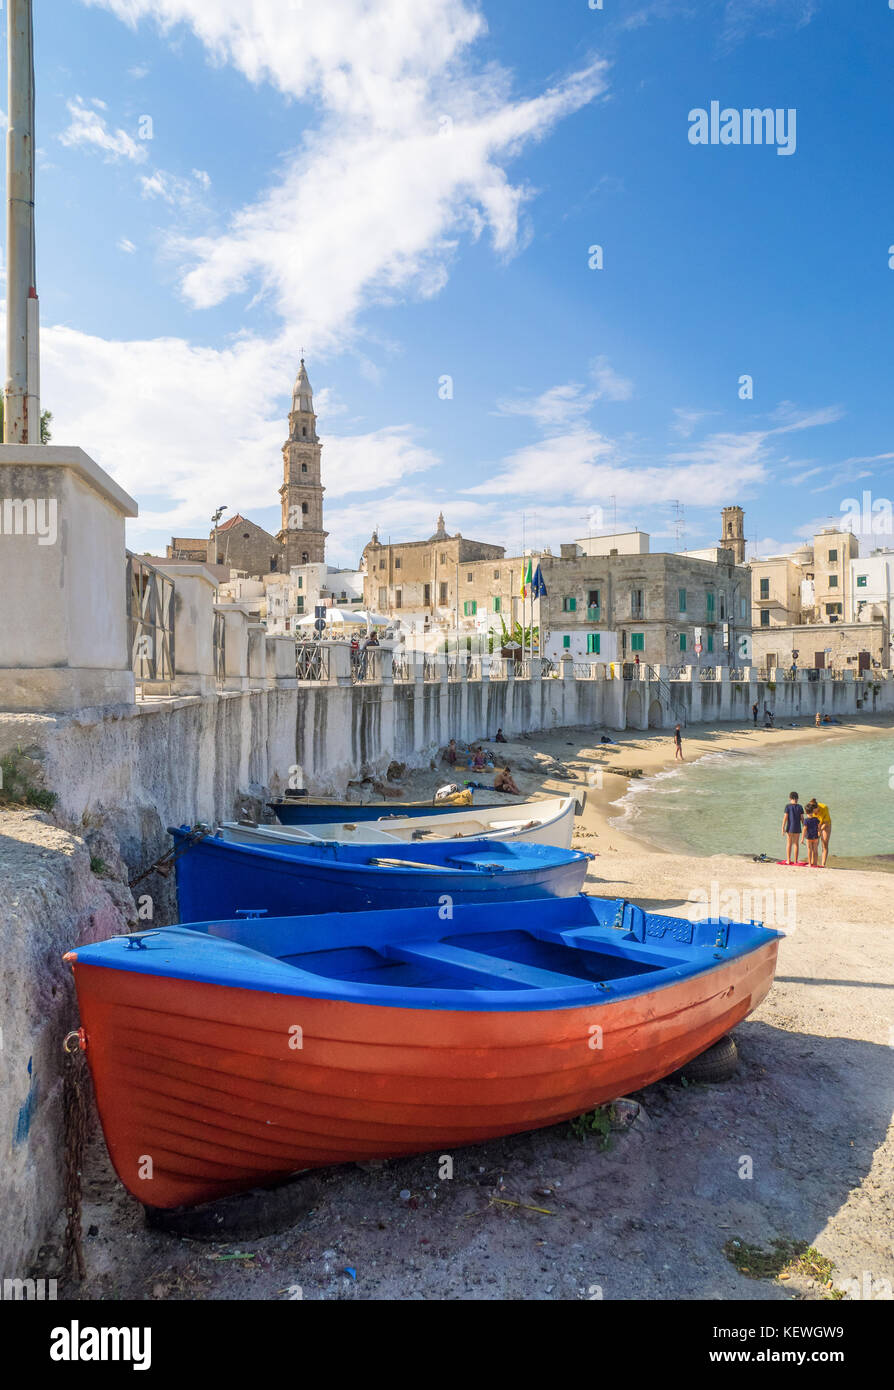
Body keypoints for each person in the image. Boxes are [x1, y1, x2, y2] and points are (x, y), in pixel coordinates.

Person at [805, 798, 832, 867]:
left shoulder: (824, 808)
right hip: (816, 825)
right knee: (814, 844)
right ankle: (813, 863)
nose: (815, 813)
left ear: (817, 808)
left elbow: (825, 823)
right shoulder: (811, 809)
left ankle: (823, 864)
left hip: (826, 824)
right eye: (813, 812)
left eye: (815, 812)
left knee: (824, 844)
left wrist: (819, 831)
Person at [782, 792, 805, 864]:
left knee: (789, 843)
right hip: (797, 828)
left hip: (789, 827)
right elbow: (802, 819)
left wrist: (783, 827)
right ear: (797, 798)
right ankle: (795, 861)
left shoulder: (788, 806)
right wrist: (805, 827)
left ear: (790, 798)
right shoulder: (800, 807)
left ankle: (788, 860)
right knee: (796, 844)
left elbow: (785, 818)